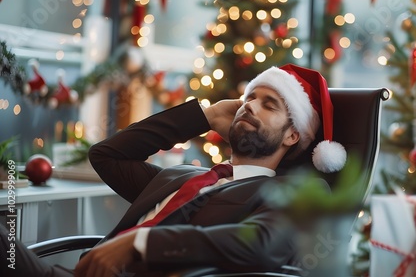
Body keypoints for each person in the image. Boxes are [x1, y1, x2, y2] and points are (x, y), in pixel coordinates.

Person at [0, 64, 346, 277]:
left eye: (268, 104)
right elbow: (106, 155)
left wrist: (142, 242)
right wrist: (205, 116)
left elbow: (261, 245)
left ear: (293, 134)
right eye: (248, 100)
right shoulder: (180, 177)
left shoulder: (297, 192)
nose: (250, 106)